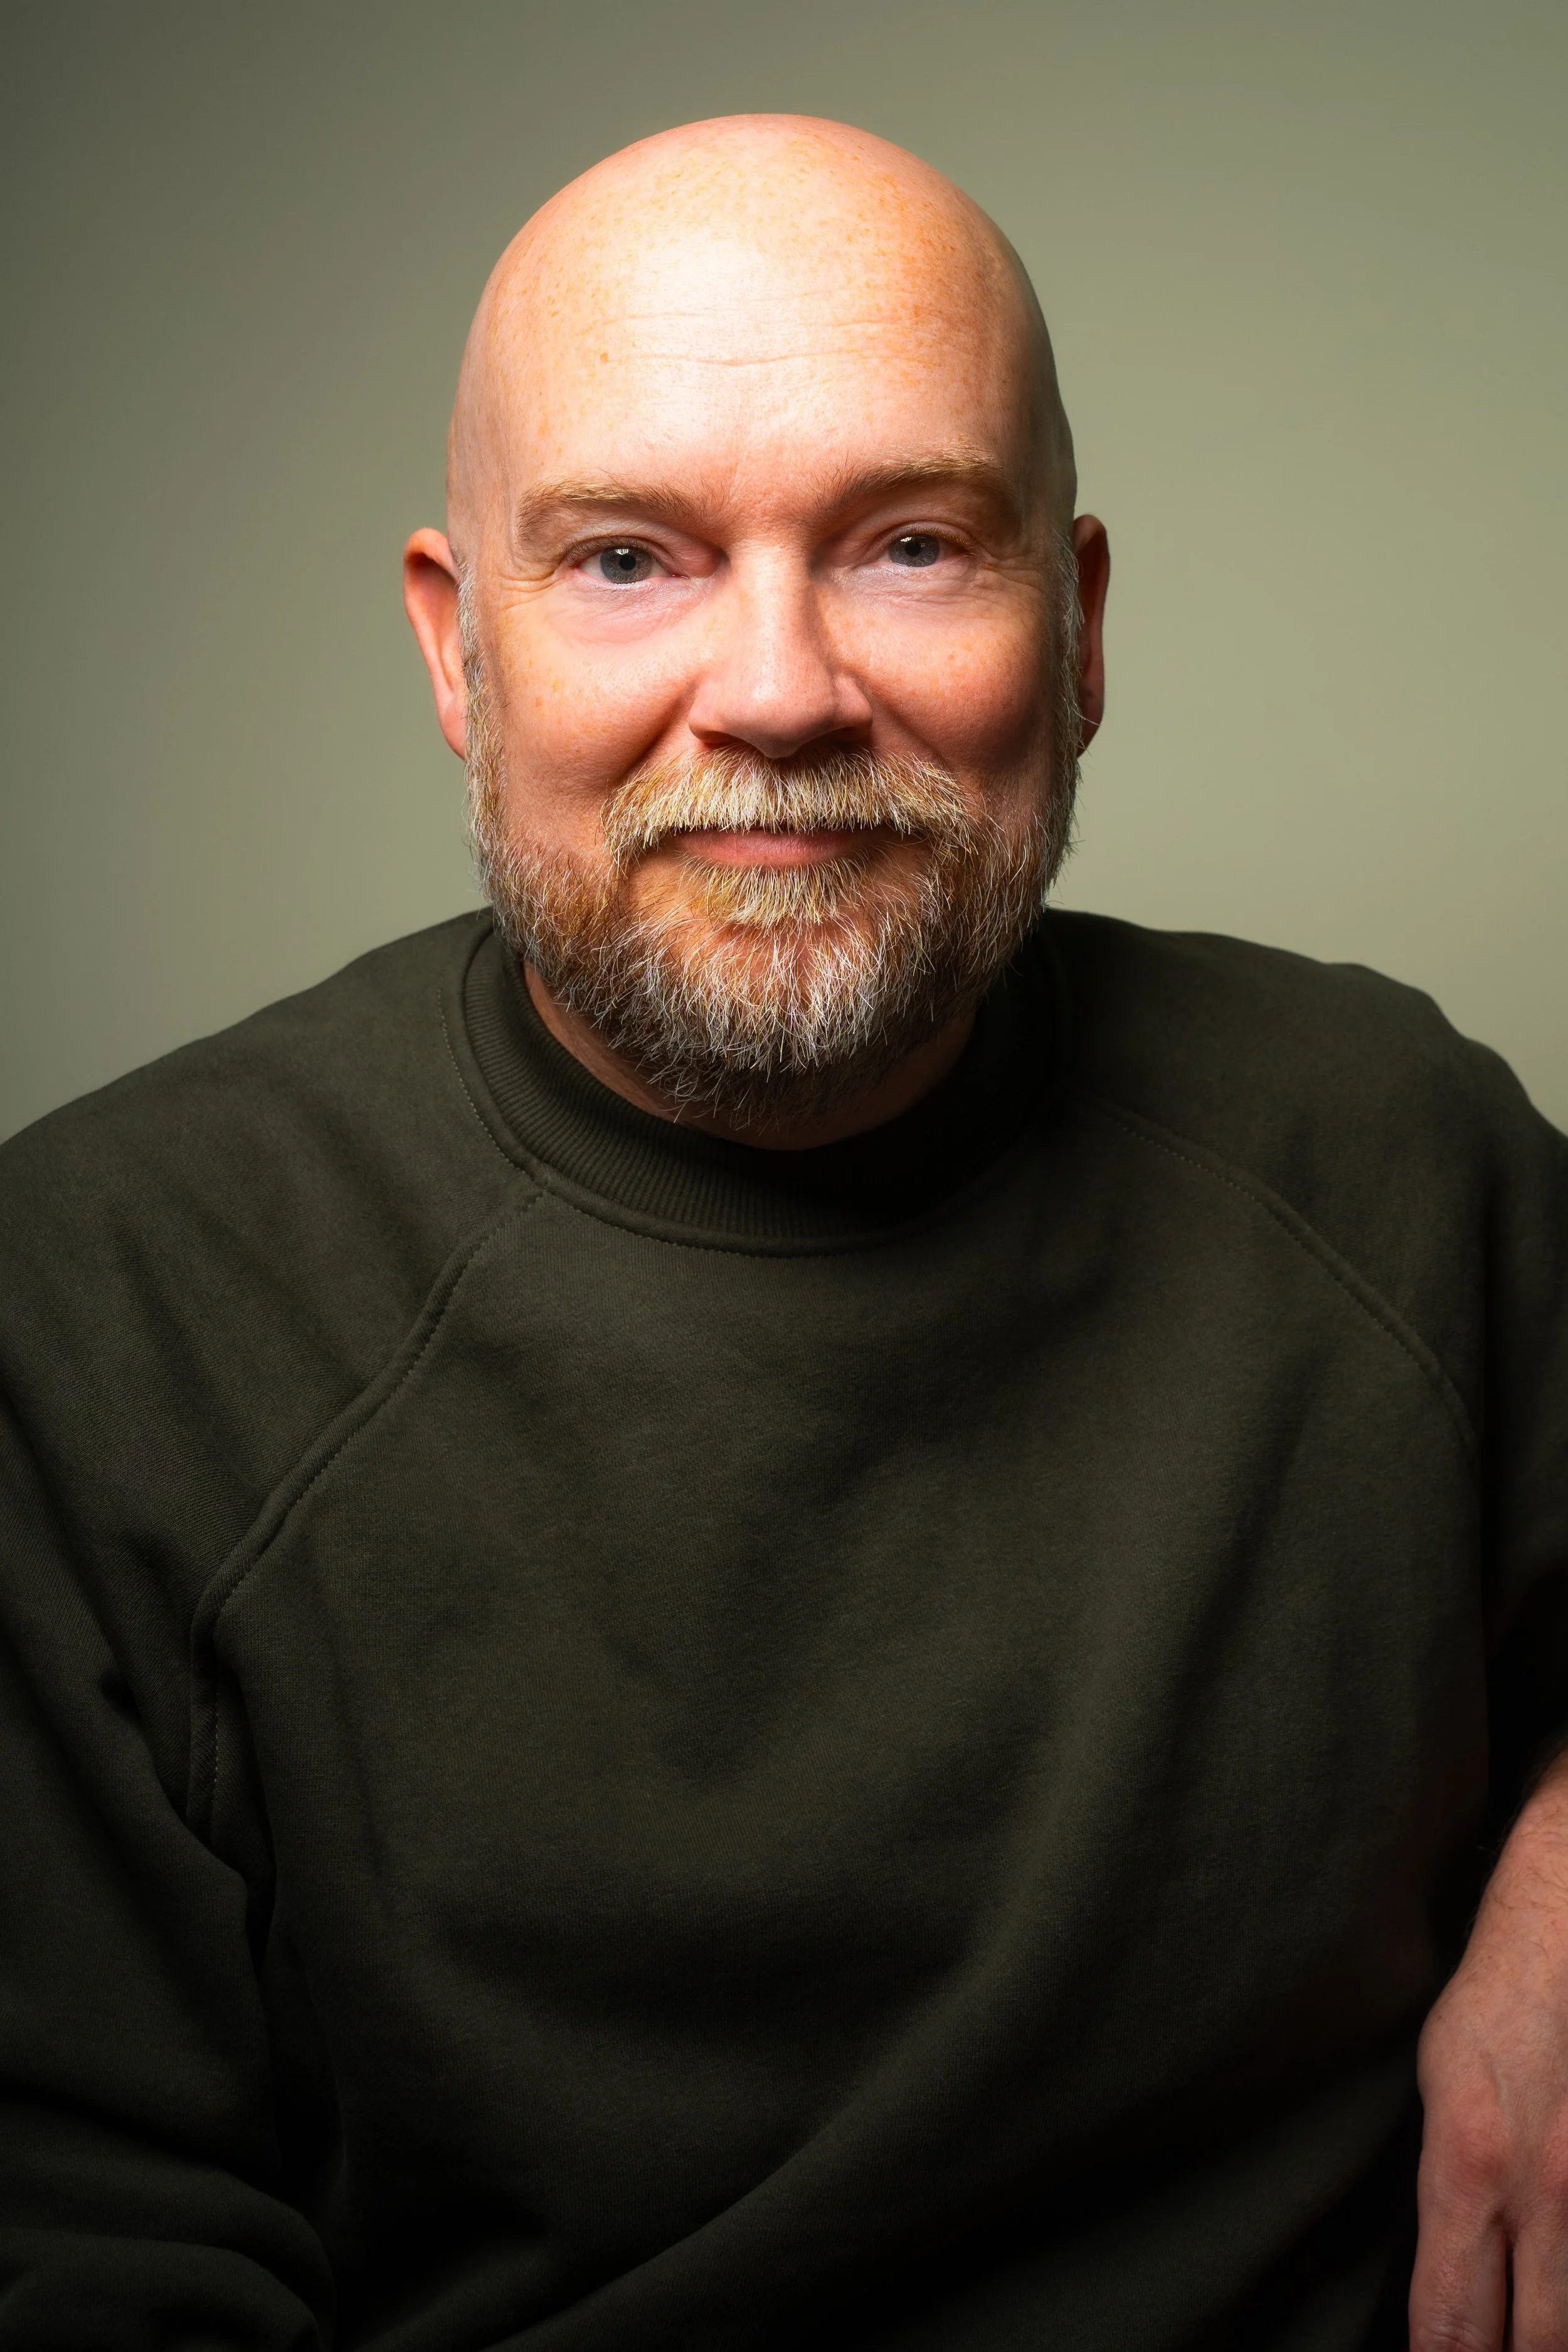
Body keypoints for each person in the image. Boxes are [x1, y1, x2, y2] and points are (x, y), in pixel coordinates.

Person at [0, 113, 1564, 2352]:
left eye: (911, 544)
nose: (776, 690)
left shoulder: (1390, 1150)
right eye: (628, 558)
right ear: (460, 655)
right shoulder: (90, 1322)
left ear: (1081, 624)